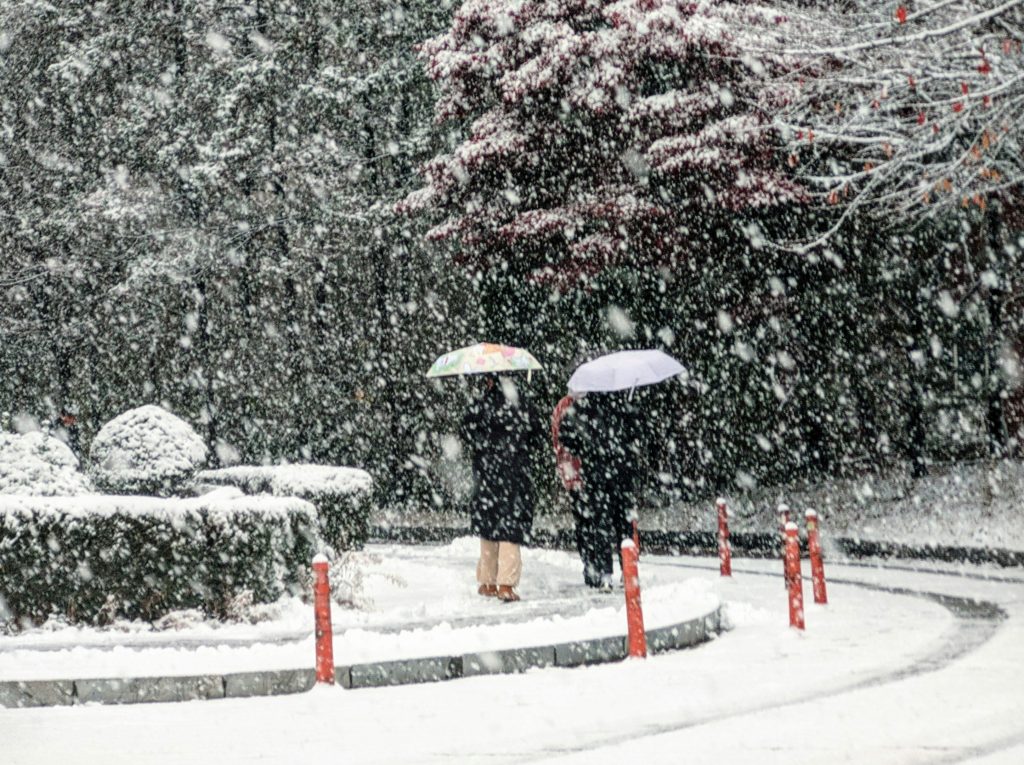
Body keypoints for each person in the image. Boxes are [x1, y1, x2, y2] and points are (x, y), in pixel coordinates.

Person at [460, 375, 542, 602]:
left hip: (486, 474)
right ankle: (506, 584)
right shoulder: (522, 404)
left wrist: (484, 446)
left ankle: (487, 581)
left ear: (489, 382)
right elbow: (536, 436)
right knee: (510, 528)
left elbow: (465, 432)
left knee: (489, 526)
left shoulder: (480, 405)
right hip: (514, 474)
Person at [558, 391, 640, 589]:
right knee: (624, 523)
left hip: (596, 474)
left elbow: (566, 437)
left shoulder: (582, 408)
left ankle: (605, 573)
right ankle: (628, 569)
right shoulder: (624, 404)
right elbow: (637, 434)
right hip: (622, 473)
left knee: (600, 523)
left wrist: (586, 448)